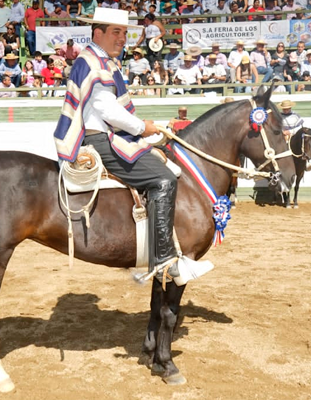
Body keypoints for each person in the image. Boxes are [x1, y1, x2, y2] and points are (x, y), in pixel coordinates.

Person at [52, 8, 212, 285]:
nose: (123, 39)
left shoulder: (100, 61)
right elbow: (107, 110)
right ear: (97, 32)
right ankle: (164, 259)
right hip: (98, 140)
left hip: (105, 136)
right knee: (163, 179)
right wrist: (142, 128)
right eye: (116, 32)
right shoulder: (93, 62)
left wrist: (142, 126)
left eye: (125, 33)